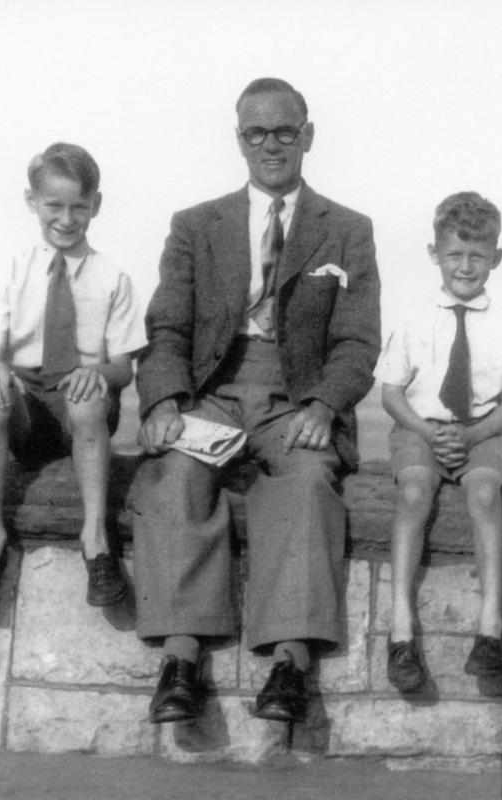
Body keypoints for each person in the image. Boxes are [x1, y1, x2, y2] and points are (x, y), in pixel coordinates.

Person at [133, 78, 381, 725]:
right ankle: (181, 661)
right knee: (176, 474)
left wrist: (325, 406)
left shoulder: (349, 230)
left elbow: (357, 340)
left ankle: (289, 666)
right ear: (238, 139)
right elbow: (168, 330)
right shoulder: (196, 225)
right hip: (211, 390)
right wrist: (163, 400)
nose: (271, 145)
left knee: (304, 481)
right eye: (256, 133)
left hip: (295, 397)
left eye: (285, 132)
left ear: (308, 136)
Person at [0, 143, 145, 608]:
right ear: (31, 201)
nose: (66, 218)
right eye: (53, 205)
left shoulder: (111, 277)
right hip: (29, 411)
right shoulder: (11, 270)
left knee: (87, 394)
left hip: (84, 411)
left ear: (96, 204)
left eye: (79, 206)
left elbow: (123, 365)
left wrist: (98, 372)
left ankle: (96, 541)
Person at [376, 191, 502, 692]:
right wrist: (428, 433)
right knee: (414, 492)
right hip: (420, 429)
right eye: (454, 255)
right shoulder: (413, 319)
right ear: (434, 254)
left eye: (478, 256)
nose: (465, 266)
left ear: (496, 258)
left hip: (481, 431)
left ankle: (491, 631)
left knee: (485, 495)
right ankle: (400, 629)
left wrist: (473, 435)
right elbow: (392, 394)